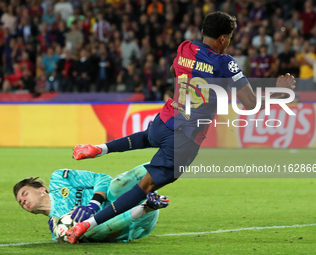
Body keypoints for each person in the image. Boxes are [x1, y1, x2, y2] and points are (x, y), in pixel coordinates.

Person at [66, 11, 296, 243]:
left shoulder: (184, 47)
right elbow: (250, 104)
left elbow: (175, 71)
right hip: (185, 137)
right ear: (224, 39)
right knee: (145, 186)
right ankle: (86, 224)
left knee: (147, 137)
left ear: (203, 32)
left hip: (166, 118)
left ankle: (99, 148)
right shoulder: (226, 63)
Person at [14, 164, 169, 243]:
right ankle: (148, 207)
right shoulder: (57, 228)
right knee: (86, 230)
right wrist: (64, 237)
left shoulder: (60, 179)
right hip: (136, 222)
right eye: (20, 202)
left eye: (24, 194)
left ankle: (168, 162)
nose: (23, 201)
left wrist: (93, 205)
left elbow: (102, 178)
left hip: (130, 197)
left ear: (42, 189)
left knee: (115, 186)